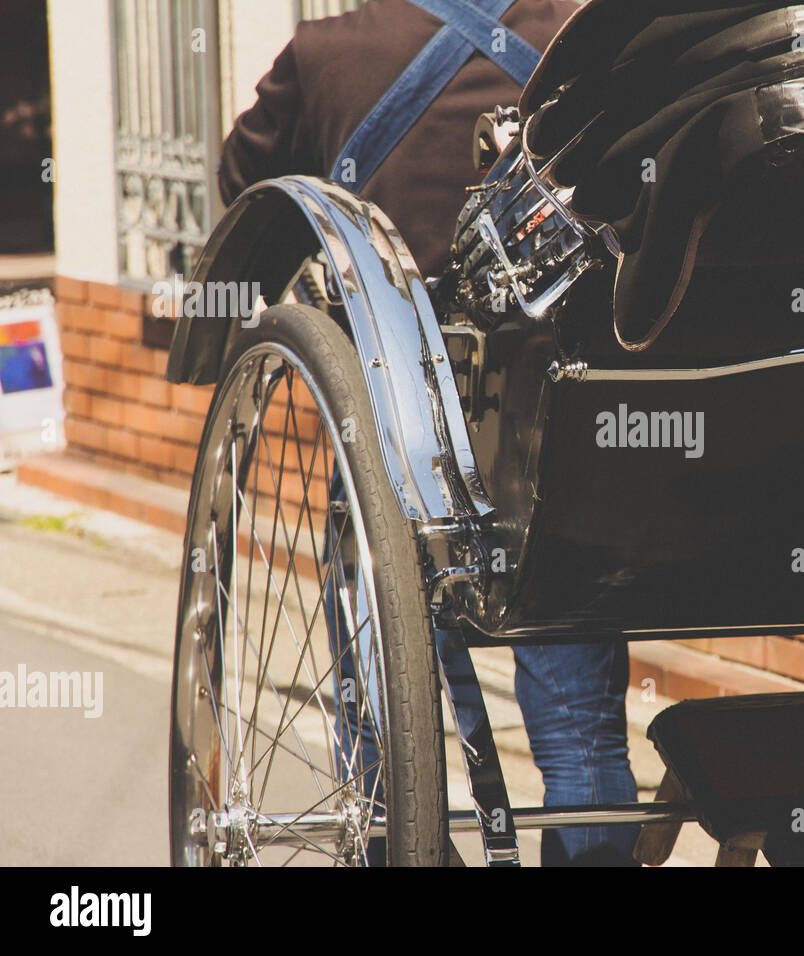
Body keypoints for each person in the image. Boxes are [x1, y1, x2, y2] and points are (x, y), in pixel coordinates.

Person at [219, 0, 640, 866]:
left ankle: (387, 840)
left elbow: (242, 196)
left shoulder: (326, 54)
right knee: (580, 731)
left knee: (380, 707)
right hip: (551, 438)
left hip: (383, 428)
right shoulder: (583, 36)